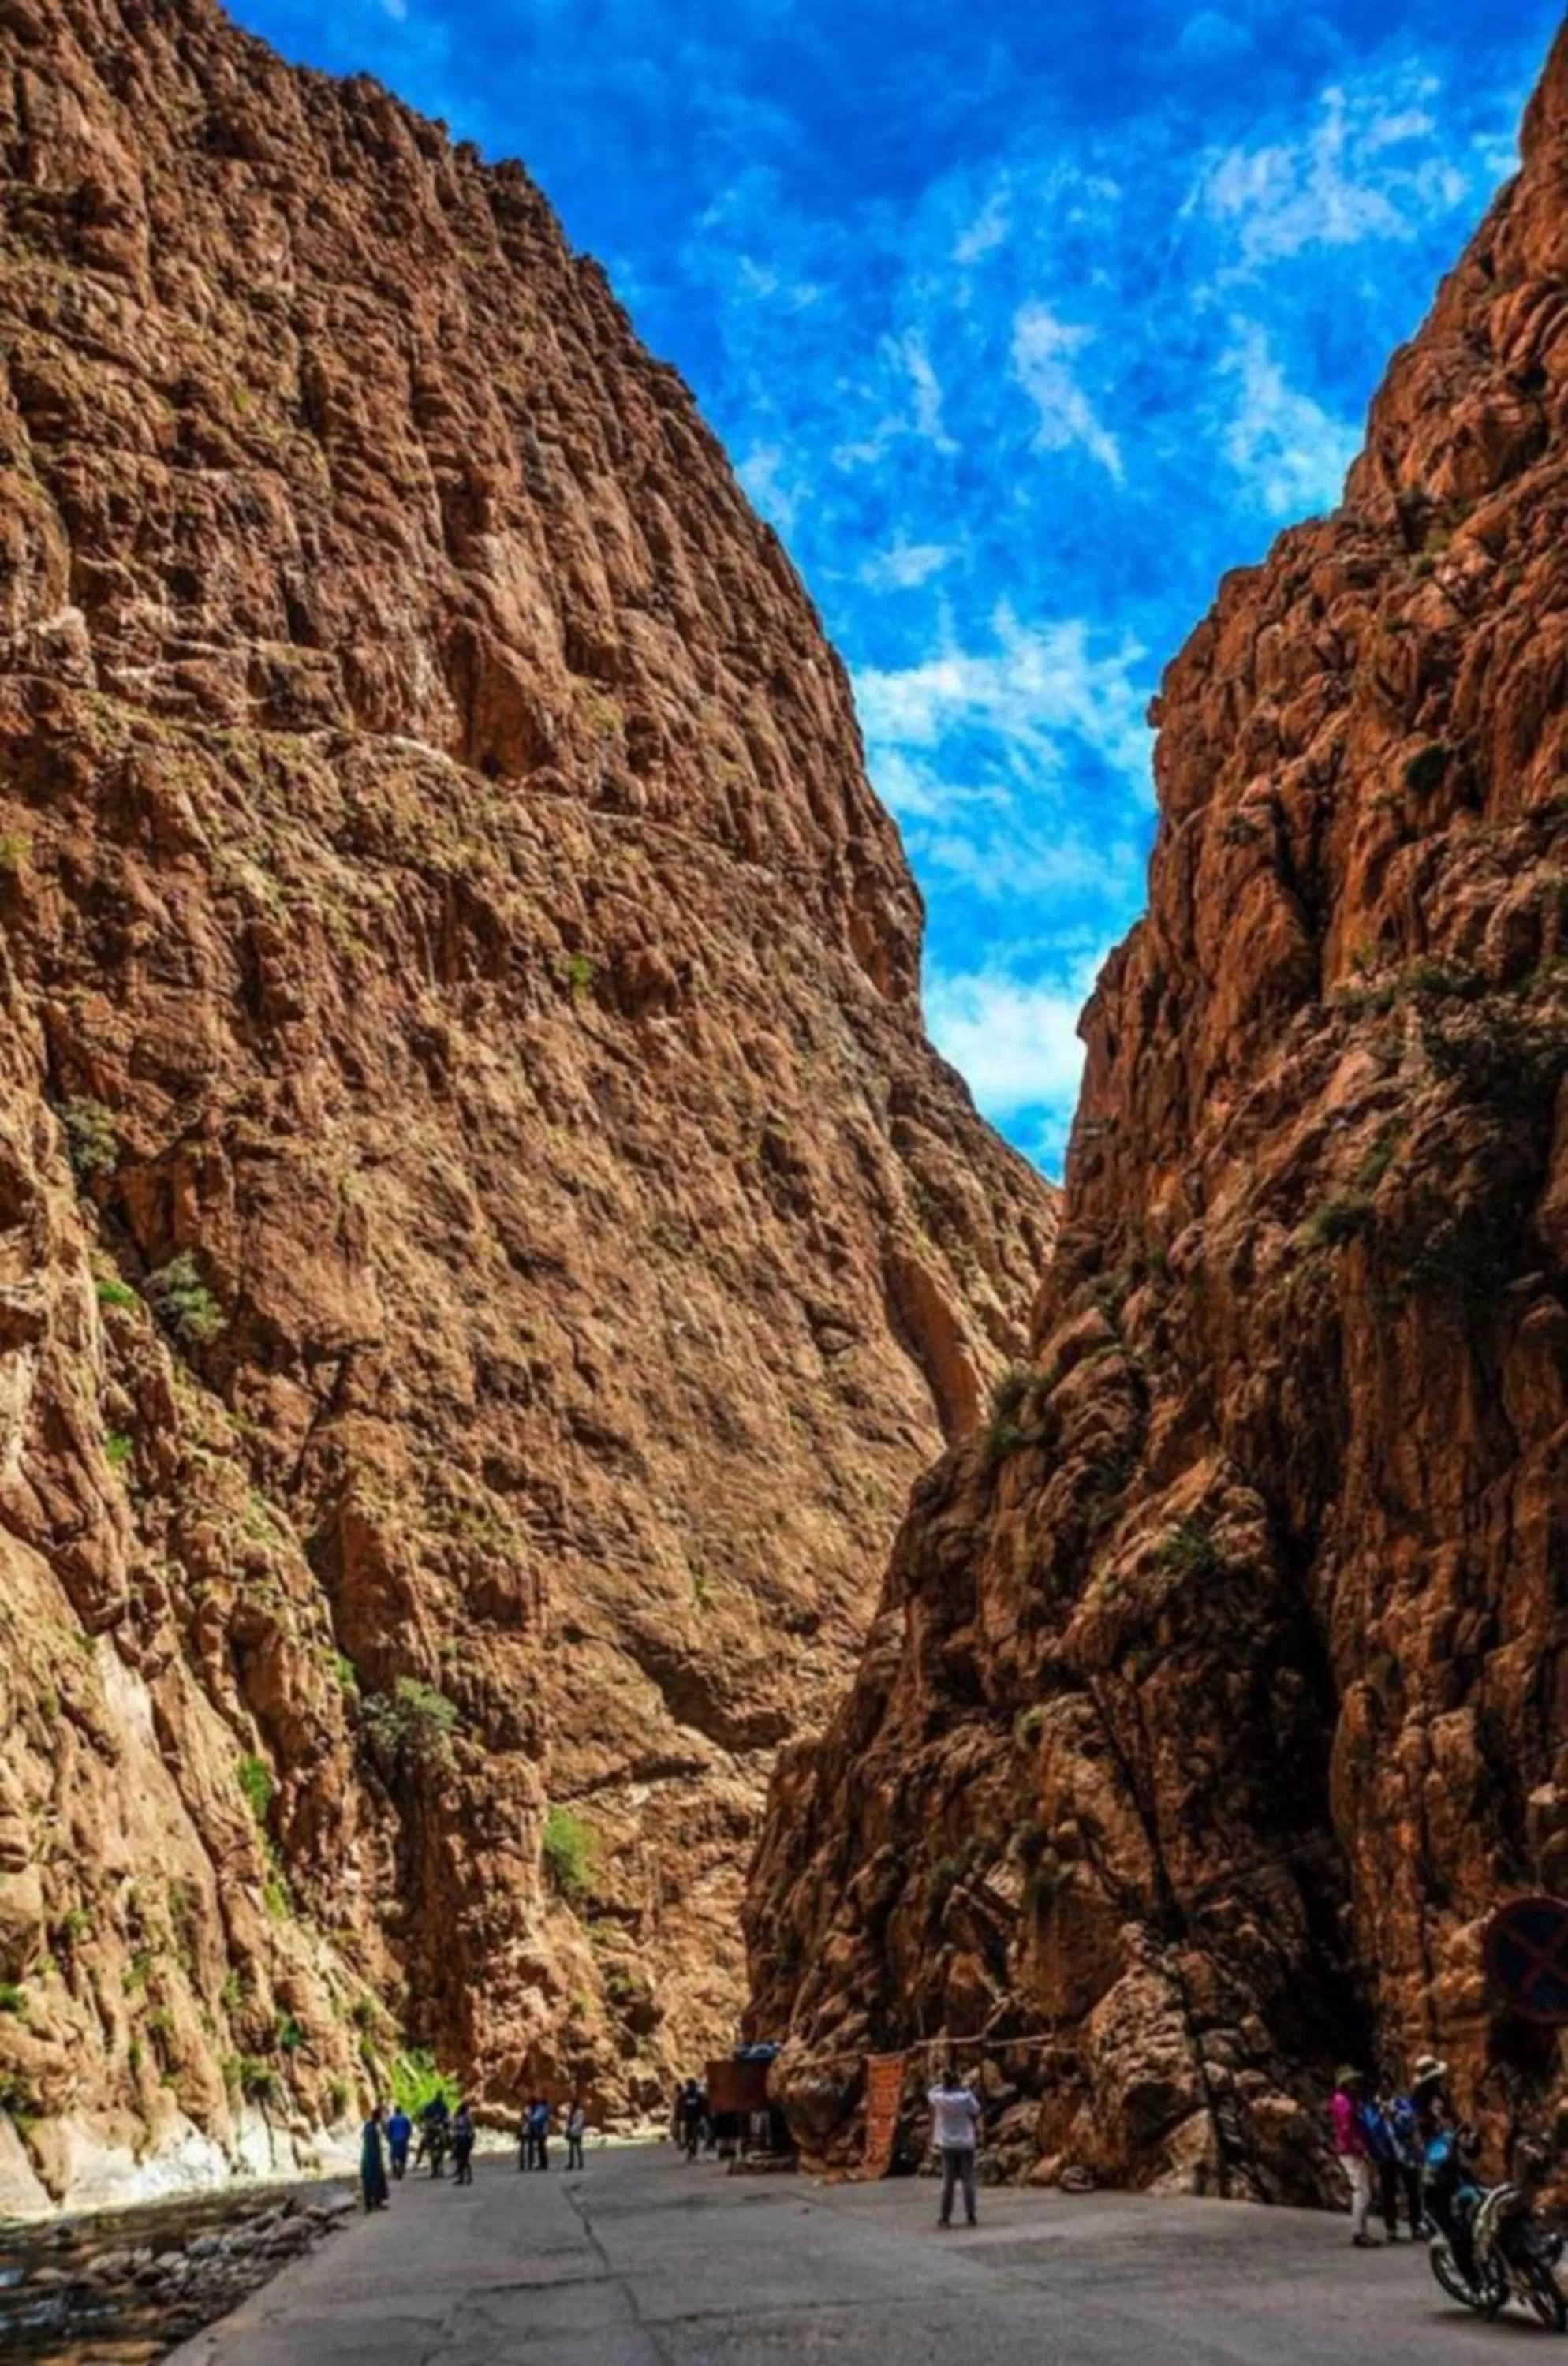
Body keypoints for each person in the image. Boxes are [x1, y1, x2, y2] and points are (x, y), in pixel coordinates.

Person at [927, 2064, 981, 2230]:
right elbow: (976, 2109)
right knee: (968, 2180)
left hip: (948, 2143)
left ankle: (945, 2217)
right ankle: (971, 2215)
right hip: (966, 2142)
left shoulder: (940, 2098)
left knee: (948, 2182)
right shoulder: (965, 2097)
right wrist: (964, 2089)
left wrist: (942, 2085)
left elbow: (930, 2093)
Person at [1330, 2067, 1376, 2247]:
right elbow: (1347, 2129)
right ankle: (1359, 2232)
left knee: (1362, 2190)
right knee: (1362, 2191)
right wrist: (1361, 2148)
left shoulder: (1341, 2100)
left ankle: (1361, 2230)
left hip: (1348, 2148)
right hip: (1351, 2150)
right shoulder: (1344, 2103)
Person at [1378, 2076, 1425, 2238]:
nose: (1385, 2089)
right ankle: (1391, 2227)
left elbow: (1411, 2123)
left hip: (1405, 2152)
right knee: (1388, 2191)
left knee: (1412, 2189)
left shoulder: (1402, 2105)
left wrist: (1395, 2116)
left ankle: (1416, 2225)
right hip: (1386, 2153)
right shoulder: (1374, 2107)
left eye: (1387, 2086)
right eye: (1382, 2086)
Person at [360, 2103, 390, 2213]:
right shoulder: (374, 2129)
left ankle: (369, 2204)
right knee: (377, 2180)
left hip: (366, 2157)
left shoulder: (368, 2126)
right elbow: (376, 2146)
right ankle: (377, 2202)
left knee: (368, 2181)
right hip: (373, 2158)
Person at [678, 2078, 704, 2161]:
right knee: (689, 2136)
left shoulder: (698, 2096)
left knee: (693, 2136)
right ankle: (690, 2149)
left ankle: (692, 2151)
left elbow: (704, 2107)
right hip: (689, 2119)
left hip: (694, 2119)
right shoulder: (685, 2096)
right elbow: (679, 2107)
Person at [386, 2103, 413, 2182]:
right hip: (403, 2139)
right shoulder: (405, 2119)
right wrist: (407, 2138)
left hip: (394, 2140)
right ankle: (401, 2169)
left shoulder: (391, 2120)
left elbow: (388, 2131)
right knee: (403, 2156)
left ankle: (394, 2170)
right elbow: (409, 2129)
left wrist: (389, 2140)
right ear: (401, 2111)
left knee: (393, 2156)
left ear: (395, 2111)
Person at [452, 2100, 476, 2186]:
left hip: (463, 2140)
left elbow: (471, 2130)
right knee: (461, 2160)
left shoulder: (465, 2118)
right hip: (461, 2139)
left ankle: (466, 2177)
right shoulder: (461, 2117)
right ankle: (463, 2178)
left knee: (463, 2160)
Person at [529, 2095, 551, 2170]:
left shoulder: (541, 2109)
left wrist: (530, 2121)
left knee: (541, 2147)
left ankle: (543, 2164)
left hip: (542, 2131)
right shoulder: (545, 2109)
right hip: (544, 2130)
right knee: (542, 2147)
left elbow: (536, 2119)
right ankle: (543, 2164)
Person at [566, 2094, 588, 2172]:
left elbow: (579, 2123)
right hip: (571, 2132)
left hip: (577, 2132)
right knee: (571, 2148)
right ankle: (571, 2163)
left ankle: (580, 2163)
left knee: (578, 2148)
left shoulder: (580, 2112)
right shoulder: (571, 2112)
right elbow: (569, 2121)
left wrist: (572, 2129)